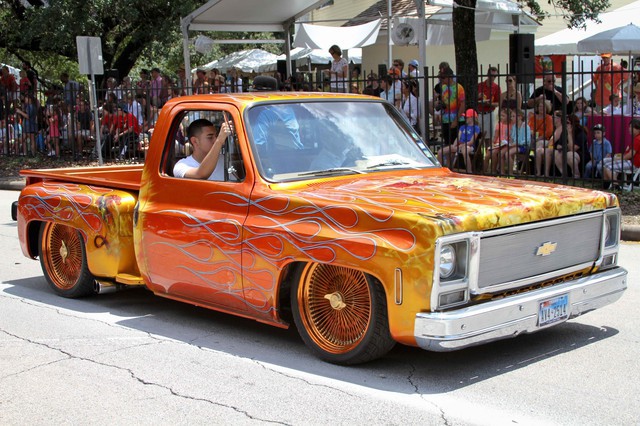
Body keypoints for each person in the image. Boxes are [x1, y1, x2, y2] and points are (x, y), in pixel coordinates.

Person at [437, 108, 480, 172]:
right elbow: (458, 138)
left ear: (472, 118)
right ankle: (441, 170)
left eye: (467, 117)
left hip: (469, 146)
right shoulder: (462, 127)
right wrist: (454, 145)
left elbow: (471, 142)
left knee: (465, 151)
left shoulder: (476, 128)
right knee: (440, 152)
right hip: (459, 145)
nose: (465, 118)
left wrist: (462, 145)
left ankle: (469, 172)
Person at [602, 118, 640, 184]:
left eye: (632, 127)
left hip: (634, 163)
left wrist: (618, 159)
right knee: (604, 161)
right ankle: (606, 184)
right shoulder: (635, 138)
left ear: (638, 129)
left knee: (608, 166)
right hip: (630, 161)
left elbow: (630, 155)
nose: (629, 129)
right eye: (629, 127)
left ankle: (615, 185)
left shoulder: (637, 139)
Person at [439, 66, 465, 147]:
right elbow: (444, 101)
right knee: (447, 144)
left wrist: (456, 120)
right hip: (445, 120)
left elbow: (463, 104)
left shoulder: (459, 88)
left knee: (455, 144)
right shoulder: (443, 87)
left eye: (443, 77)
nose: (441, 79)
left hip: (456, 120)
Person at [477, 67, 501, 145]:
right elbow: (473, 99)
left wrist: (490, 103)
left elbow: (498, 103)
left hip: (489, 113)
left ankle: (489, 155)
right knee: (477, 137)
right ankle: (479, 156)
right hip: (479, 113)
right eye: (491, 75)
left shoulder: (496, 88)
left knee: (488, 138)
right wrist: (478, 96)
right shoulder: (480, 85)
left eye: (495, 76)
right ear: (487, 75)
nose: (493, 78)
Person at [486, 108, 511, 173]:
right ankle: (486, 171)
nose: (501, 117)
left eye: (503, 116)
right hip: (498, 143)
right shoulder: (499, 124)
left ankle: (493, 170)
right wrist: (493, 143)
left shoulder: (511, 125)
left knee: (494, 153)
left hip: (506, 144)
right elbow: (496, 135)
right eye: (500, 116)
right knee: (488, 153)